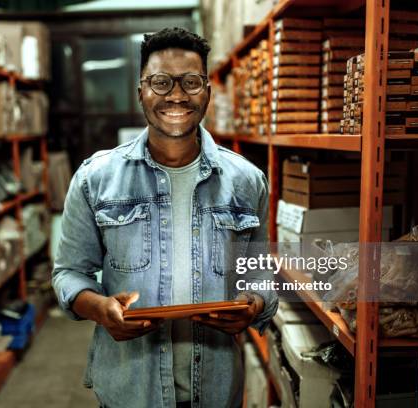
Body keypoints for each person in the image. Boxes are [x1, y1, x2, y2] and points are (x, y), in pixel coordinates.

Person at [52, 27, 277, 408]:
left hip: (217, 391)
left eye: (190, 82)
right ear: (140, 91)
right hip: (130, 392)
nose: (176, 95)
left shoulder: (247, 181)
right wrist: (101, 310)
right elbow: (69, 273)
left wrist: (253, 304)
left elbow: (259, 273)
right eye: (160, 82)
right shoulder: (95, 179)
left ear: (207, 90)